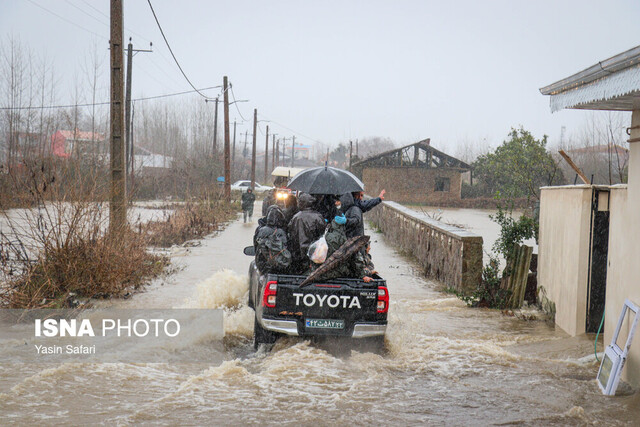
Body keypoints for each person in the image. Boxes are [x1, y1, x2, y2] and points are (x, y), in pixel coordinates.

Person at [314, 214, 372, 282]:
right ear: (343, 226)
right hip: (339, 273)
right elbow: (356, 259)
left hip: (322, 274)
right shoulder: (345, 240)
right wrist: (363, 275)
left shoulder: (324, 237)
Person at [287, 193, 326, 274]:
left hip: (297, 254)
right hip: (314, 253)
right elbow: (323, 235)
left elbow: (290, 233)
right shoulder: (318, 217)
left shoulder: (296, 217)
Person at [254, 205, 291, 273]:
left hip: (263, 267)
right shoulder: (282, 232)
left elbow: (256, 246)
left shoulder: (261, 230)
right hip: (279, 267)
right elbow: (287, 247)